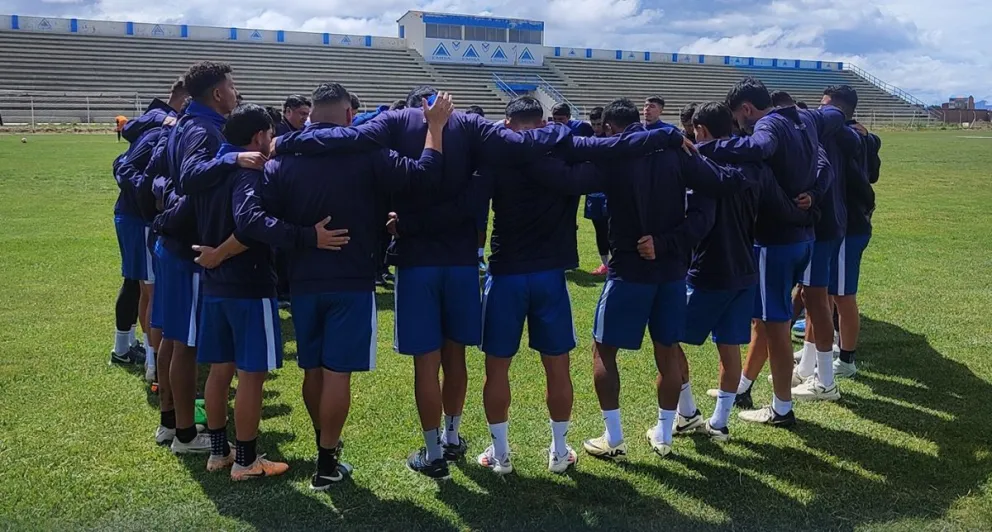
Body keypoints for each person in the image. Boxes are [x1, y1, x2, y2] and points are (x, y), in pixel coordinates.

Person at [275, 86, 694, 479]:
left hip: (455, 267)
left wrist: (288, 142)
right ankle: (509, 442)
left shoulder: (415, 131)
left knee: (450, 365)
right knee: (501, 361)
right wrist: (660, 136)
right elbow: (591, 152)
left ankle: (466, 452)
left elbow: (345, 140)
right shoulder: (494, 134)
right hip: (503, 269)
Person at [259, 83, 452, 489]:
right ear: (349, 115)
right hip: (351, 277)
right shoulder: (366, 153)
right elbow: (425, 176)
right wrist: (434, 128)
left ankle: (325, 448)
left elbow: (261, 220)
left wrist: (303, 236)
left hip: (303, 278)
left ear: (311, 113)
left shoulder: (284, 157)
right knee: (337, 374)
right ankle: (327, 459)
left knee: (313, 369)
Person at [190, 102, 351, 480]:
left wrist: (211, 255)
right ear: (259, 136)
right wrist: (306, 236)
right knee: (252, 375)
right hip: (247, 285)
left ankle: (219, 452)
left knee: (219, 371)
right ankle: (246, 460)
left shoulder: (211, 168)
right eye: (270, 133)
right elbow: (251, 224)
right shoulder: (248, 171)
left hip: (214, 286)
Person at [582, 98, 747, 461]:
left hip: (629, 270)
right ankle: (665, 433)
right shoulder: (680, 151)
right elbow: (722, 187)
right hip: (671, 272)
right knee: (667, 351)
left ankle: (614, 438)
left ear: (610, 128)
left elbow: (574, 159)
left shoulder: (615, 154)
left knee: (604, 350)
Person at [475, 96, 602, 475]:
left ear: (507, 124)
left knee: (497, 369)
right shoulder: (561, 156)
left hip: (507, 273)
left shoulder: (498, 158)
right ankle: (559, 451)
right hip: (549, 274)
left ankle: (501, 454)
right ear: (543, 123)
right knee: (557, 367)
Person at [714, 77, 845, 425]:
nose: (739, 124)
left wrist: (711, 148)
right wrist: (814, 195)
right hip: (804, 237)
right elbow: (826, 157)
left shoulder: (768, 125)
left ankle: (781, 408)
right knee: (772, 320)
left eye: (737, 117)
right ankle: (745, 386)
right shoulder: (805, 119)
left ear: (746, 109)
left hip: (775, 241)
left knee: (776, 327)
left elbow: (758, 148)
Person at [683, 102, 815, 442]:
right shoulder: (758, 165)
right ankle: (723, 416)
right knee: (736, 340)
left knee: (667, 337)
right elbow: (784, 205)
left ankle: (685, 413)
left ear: (700, 130)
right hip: (746, 266)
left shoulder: (697, 163)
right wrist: (809, 213)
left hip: (713, 268)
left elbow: (695, 222)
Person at [157, 60, 262, 455]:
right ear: (218, 93)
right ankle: (185, 434)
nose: (236, 92)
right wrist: (232, 159)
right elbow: (189, 176)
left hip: (176, 242)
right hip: (188, 249)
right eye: (232, 86)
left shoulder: (188, 122)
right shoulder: (202, 128)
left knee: (175, 337)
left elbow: (163, 175)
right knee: (185, 343)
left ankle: (171, 422)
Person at [116, 78, 189, 385]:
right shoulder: (161, 128)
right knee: (151, 290)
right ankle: (153, 362)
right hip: (140, 219)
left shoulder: (170, 125)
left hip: (145, 219)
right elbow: (123, 166)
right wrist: (151, 199)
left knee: (146, 286)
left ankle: (137, 352)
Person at [823, 86, 880, 379]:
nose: (820, 111)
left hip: (849, 226)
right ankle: (831, 346)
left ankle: (846, 360)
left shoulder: (849, 137)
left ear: (837, 108)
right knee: (832, 292)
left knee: (844, 296)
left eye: (824, 105)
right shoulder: (862, 135)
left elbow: (865, 178)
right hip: (846, 223)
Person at [585, 106, 610, 276]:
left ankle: (617, 262)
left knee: (613, 228)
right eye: (593, 124)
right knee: (599, 229)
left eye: (599, 124)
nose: (596, 128)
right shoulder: (590, 141)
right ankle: (605, 263)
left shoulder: (613, 139)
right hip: (594, 193)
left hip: (610, 192)